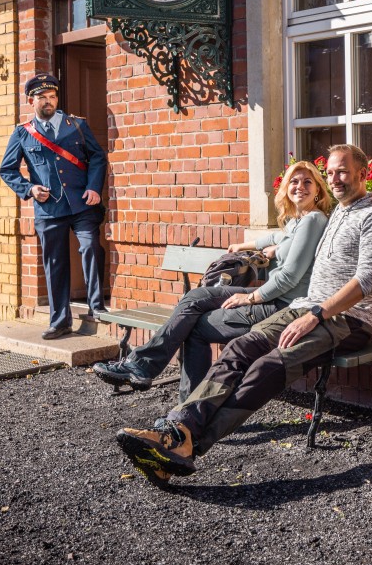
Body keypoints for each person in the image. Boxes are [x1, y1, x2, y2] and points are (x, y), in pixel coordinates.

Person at [113, 144, 372, 483]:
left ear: (363, 174)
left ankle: (189, 445)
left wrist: (316, 315)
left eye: (342, 172)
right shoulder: (340, 211)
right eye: (332, 172)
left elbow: (366, 281)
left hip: (347, 321)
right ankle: (178, 428)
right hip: (305, 309)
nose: (334, 179)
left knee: (267, 367)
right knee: (239, 349)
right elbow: (294, 236)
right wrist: (275, 253)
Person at [92, 160, 333, 401]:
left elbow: (289, 276)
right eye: (294, 181)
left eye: (307, 182)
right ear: (286, 189)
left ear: (318, 190)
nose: (300, 186)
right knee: (195, 299)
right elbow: (276, 236)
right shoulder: (298, 221)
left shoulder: (313, 220)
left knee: (194, 325)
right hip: (274, 299)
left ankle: (172, 392)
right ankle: (159, 381)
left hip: (283, 306)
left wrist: (248, 297)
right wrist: (244, 245)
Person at [0, 73, 107, 340]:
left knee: (90, 246)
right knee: (55, 262)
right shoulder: (22, 133)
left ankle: (97, 307)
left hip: (82, 203)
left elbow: (97, 157)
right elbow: (7, 170)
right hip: (48, 209)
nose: (48, 102)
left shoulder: (77, 125)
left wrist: (94, 187)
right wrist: (29, 189)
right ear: (30, 100)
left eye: (52, 96)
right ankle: (60, 321)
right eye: (42, 98)